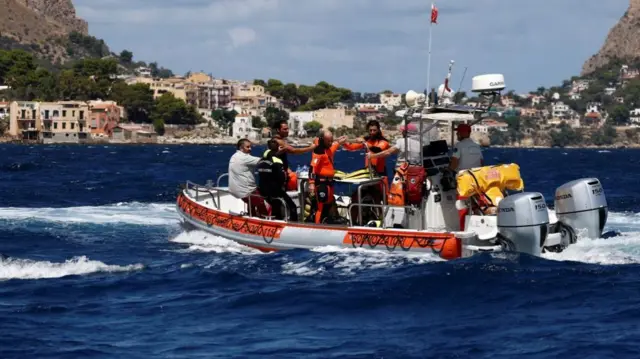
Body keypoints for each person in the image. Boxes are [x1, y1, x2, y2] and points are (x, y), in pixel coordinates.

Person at [342, 120, 391, 224]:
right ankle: (353, 222)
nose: (372, 132)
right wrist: (344, 143)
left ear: (378, 130)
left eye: (374, 130)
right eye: (370, 130)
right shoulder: (367, 141)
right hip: (368, 176)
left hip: (380, 177)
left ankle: (383, 222)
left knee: (379, 199)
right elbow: (353, 147)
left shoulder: (384, 142)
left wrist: (364, 142)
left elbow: (377, 150)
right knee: (355, 197)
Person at [257, 139, 299, 221]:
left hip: (263, 191)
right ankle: (294, 224)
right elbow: (282, 177)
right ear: (278, 148)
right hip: (275, 191)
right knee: (292, 206)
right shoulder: (277, 161)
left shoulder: (261, 160)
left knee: (274, 207)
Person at [309, 129, 345, 224]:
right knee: (320, 207)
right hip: (321, 183)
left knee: (329, 205)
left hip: (329, 183)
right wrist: (311, 183)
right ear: (322, 140)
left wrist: (339, 141)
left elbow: (335, 144)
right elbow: (312, 168)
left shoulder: (329, 149)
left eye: (331, 140)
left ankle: (328, 223)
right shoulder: (318, 152)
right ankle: (317, 226)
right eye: (328, 141)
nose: (330, 142)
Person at [271, 120, 317, 191]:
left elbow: (279, 157)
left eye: (288, 128)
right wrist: (310, 148)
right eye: (285, 129)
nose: (287, 131)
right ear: (278, 130)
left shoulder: (275, 140)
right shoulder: (279, 141)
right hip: (278, 176)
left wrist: (288, 169)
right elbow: (294, 151)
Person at [228, 138, 269, 216]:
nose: (250, 149)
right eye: (248, 147)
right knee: (261, 202)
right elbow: (264, 161)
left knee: (252, 199)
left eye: (250, 147)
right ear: (241, 148)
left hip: (236, 189)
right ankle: (266, 218)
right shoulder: (245, 158)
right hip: (246, 191)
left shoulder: (234, 156)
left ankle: (252, 215)